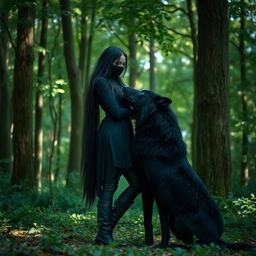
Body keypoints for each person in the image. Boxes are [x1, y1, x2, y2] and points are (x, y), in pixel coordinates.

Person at [81, 46, 141, 245]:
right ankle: (104, 235)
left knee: (137, 183)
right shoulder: (100, 82)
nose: (121, 66)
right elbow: (115, 112)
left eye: (123, 63)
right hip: (111, 136)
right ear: (109, 62)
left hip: (125, 135)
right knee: (109, 187)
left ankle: (105, 229)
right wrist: (133, 111)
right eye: (117, 62)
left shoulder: (118, 82)